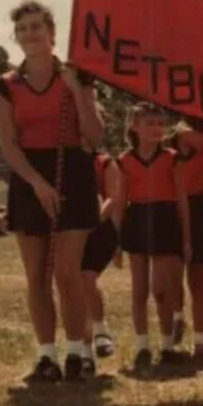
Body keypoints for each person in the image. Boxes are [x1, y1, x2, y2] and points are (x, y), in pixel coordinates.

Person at [0, 0, 103, 384]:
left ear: (52, 33)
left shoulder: (77, 76)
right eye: (23, 28)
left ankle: (78, 352)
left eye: (36, 27)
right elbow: (8, 144)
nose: (30, 34)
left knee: (67, 272)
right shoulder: (7, 86)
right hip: (28, 177)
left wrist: (75, 90)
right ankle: (46, 356)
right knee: (37, 275)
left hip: (72, 170)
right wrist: (37, 184)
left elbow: (96, 135)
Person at [112, 103, 191, 373]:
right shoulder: (124, 161)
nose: (157, 128)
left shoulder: (172, 158)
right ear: (135, 127)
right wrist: (116, 240)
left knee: (160, 289)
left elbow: (181, 199)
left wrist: (187, 238)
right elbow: (120, 201)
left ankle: (168, 345)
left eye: (160, 123)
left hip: (166, 219)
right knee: (139, 290)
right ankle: (142, 345)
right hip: (138, 220)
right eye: (150, 123)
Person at [166, 122, 203, 360]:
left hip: (198, 212)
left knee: (198, 280)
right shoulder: (166, 154)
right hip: (170, 211)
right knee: (172, 276)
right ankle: (177, 319)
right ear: (186, 130)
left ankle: (200, 342)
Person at [81, 150, 121, 364]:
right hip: (70, 231)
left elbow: (112, 198)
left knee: (86, 279)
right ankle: (85, 351)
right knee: (75, 288)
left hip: (99, 231)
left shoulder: (105, 162)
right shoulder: (61, 158)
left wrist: (94, 220)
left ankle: (100, 330)